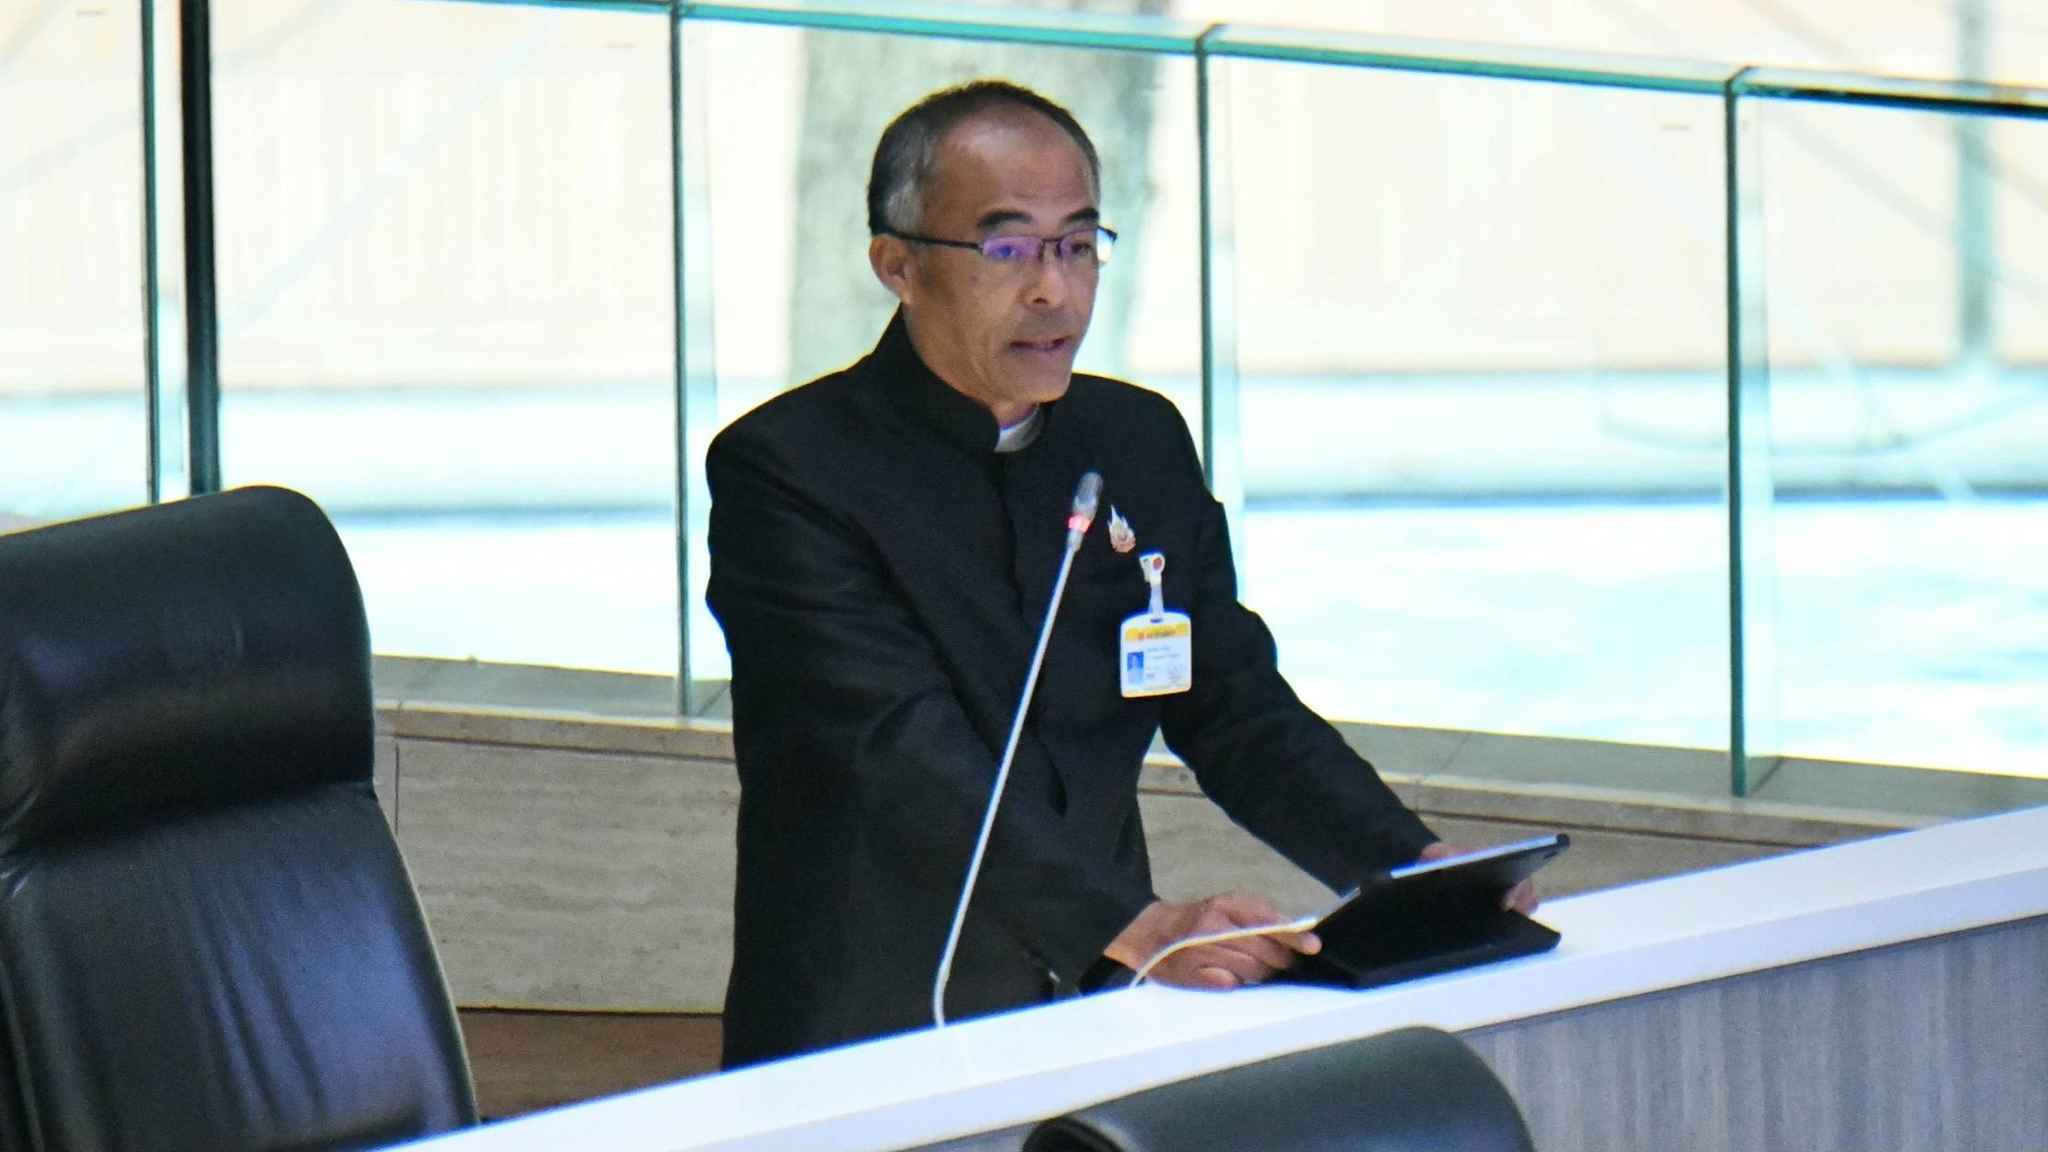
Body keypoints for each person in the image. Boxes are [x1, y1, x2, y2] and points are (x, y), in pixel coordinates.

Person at [705, 79, 1533, 1070]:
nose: (1053, 291)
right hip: (874, 1013)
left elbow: (1230, 703)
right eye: (1007, 250)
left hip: (1098, 1005)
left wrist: (1405, 861)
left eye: (1077, 245)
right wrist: (1131, 924)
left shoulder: (1134, 440)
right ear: (898, 265)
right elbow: (892, 749)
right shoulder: (790, 468)